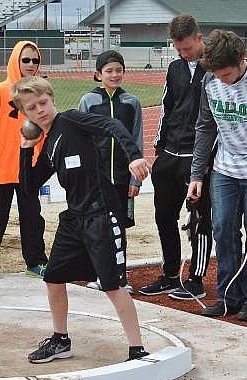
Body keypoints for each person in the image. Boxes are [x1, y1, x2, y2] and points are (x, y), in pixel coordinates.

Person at [14, 76, 151, 363]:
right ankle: (60, 340)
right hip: (74, 219)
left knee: (112, 284)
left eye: (43, 102)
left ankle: (137, 349)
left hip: (102, 214)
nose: (39, 110)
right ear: (25, 114)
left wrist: (134, 157)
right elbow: (28, 186)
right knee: (52, 277)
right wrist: (26, 148)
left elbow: (112, 126)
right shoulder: (49, 143)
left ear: (52, 99)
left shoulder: (72, 121)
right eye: (32, 108)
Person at [188, 30, 247, 321]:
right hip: (224, 169)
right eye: (216, 74)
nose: (221, 80)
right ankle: (229, 296)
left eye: (227, 74)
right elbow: (205, 127)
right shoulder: (210, 79)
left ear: (241, 61)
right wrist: (197, 173)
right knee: (223, 230)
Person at [139, 15, 213, 299]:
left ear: (199, 38)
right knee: (164, 216)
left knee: (200, 219)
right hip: (170, 154)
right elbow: (166, 108)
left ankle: (196, 278)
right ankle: (170, 274)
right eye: (179, 50)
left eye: (188, 49)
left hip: (199, 156)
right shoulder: (174, 69)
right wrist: (159, 148)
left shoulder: (214, 69)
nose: (184, 54)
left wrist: (206, 159)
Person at [0, 41, 48, 279]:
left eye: (35, 60)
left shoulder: (42, 91)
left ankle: (36, 261)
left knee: (32, 217)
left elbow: (45, 130)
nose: (31, 65)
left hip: (29, 169)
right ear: (15, 60)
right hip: (1, 167)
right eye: (26, 60)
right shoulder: (1, 91)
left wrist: (42, 164)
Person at [78, 50, 142, 293]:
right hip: (96, 178)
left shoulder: (131, 103)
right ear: (98, 74)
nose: (114, 75)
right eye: (109, 71)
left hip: (123, 179)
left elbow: (136, 140)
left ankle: (120, 278)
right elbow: (81, 137)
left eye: (118, 70)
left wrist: (135, 178)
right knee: (98, 227)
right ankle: (97, 275)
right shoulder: (88, 101)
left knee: (119, 228)